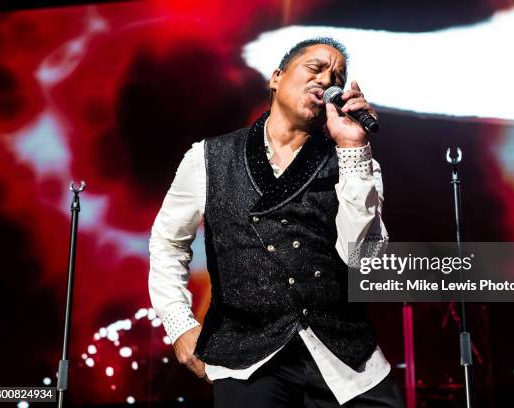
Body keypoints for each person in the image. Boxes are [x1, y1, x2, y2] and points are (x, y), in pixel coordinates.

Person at [148, 37, 403, 407]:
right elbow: (167, 242)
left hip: (346, 362)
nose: (326, 81)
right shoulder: (208, 158)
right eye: (315, 69)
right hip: (247, 362)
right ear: (276, 77)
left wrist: (352, 148)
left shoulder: (355, 161)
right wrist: (180, 325)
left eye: (337, 77)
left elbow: (364, 262)